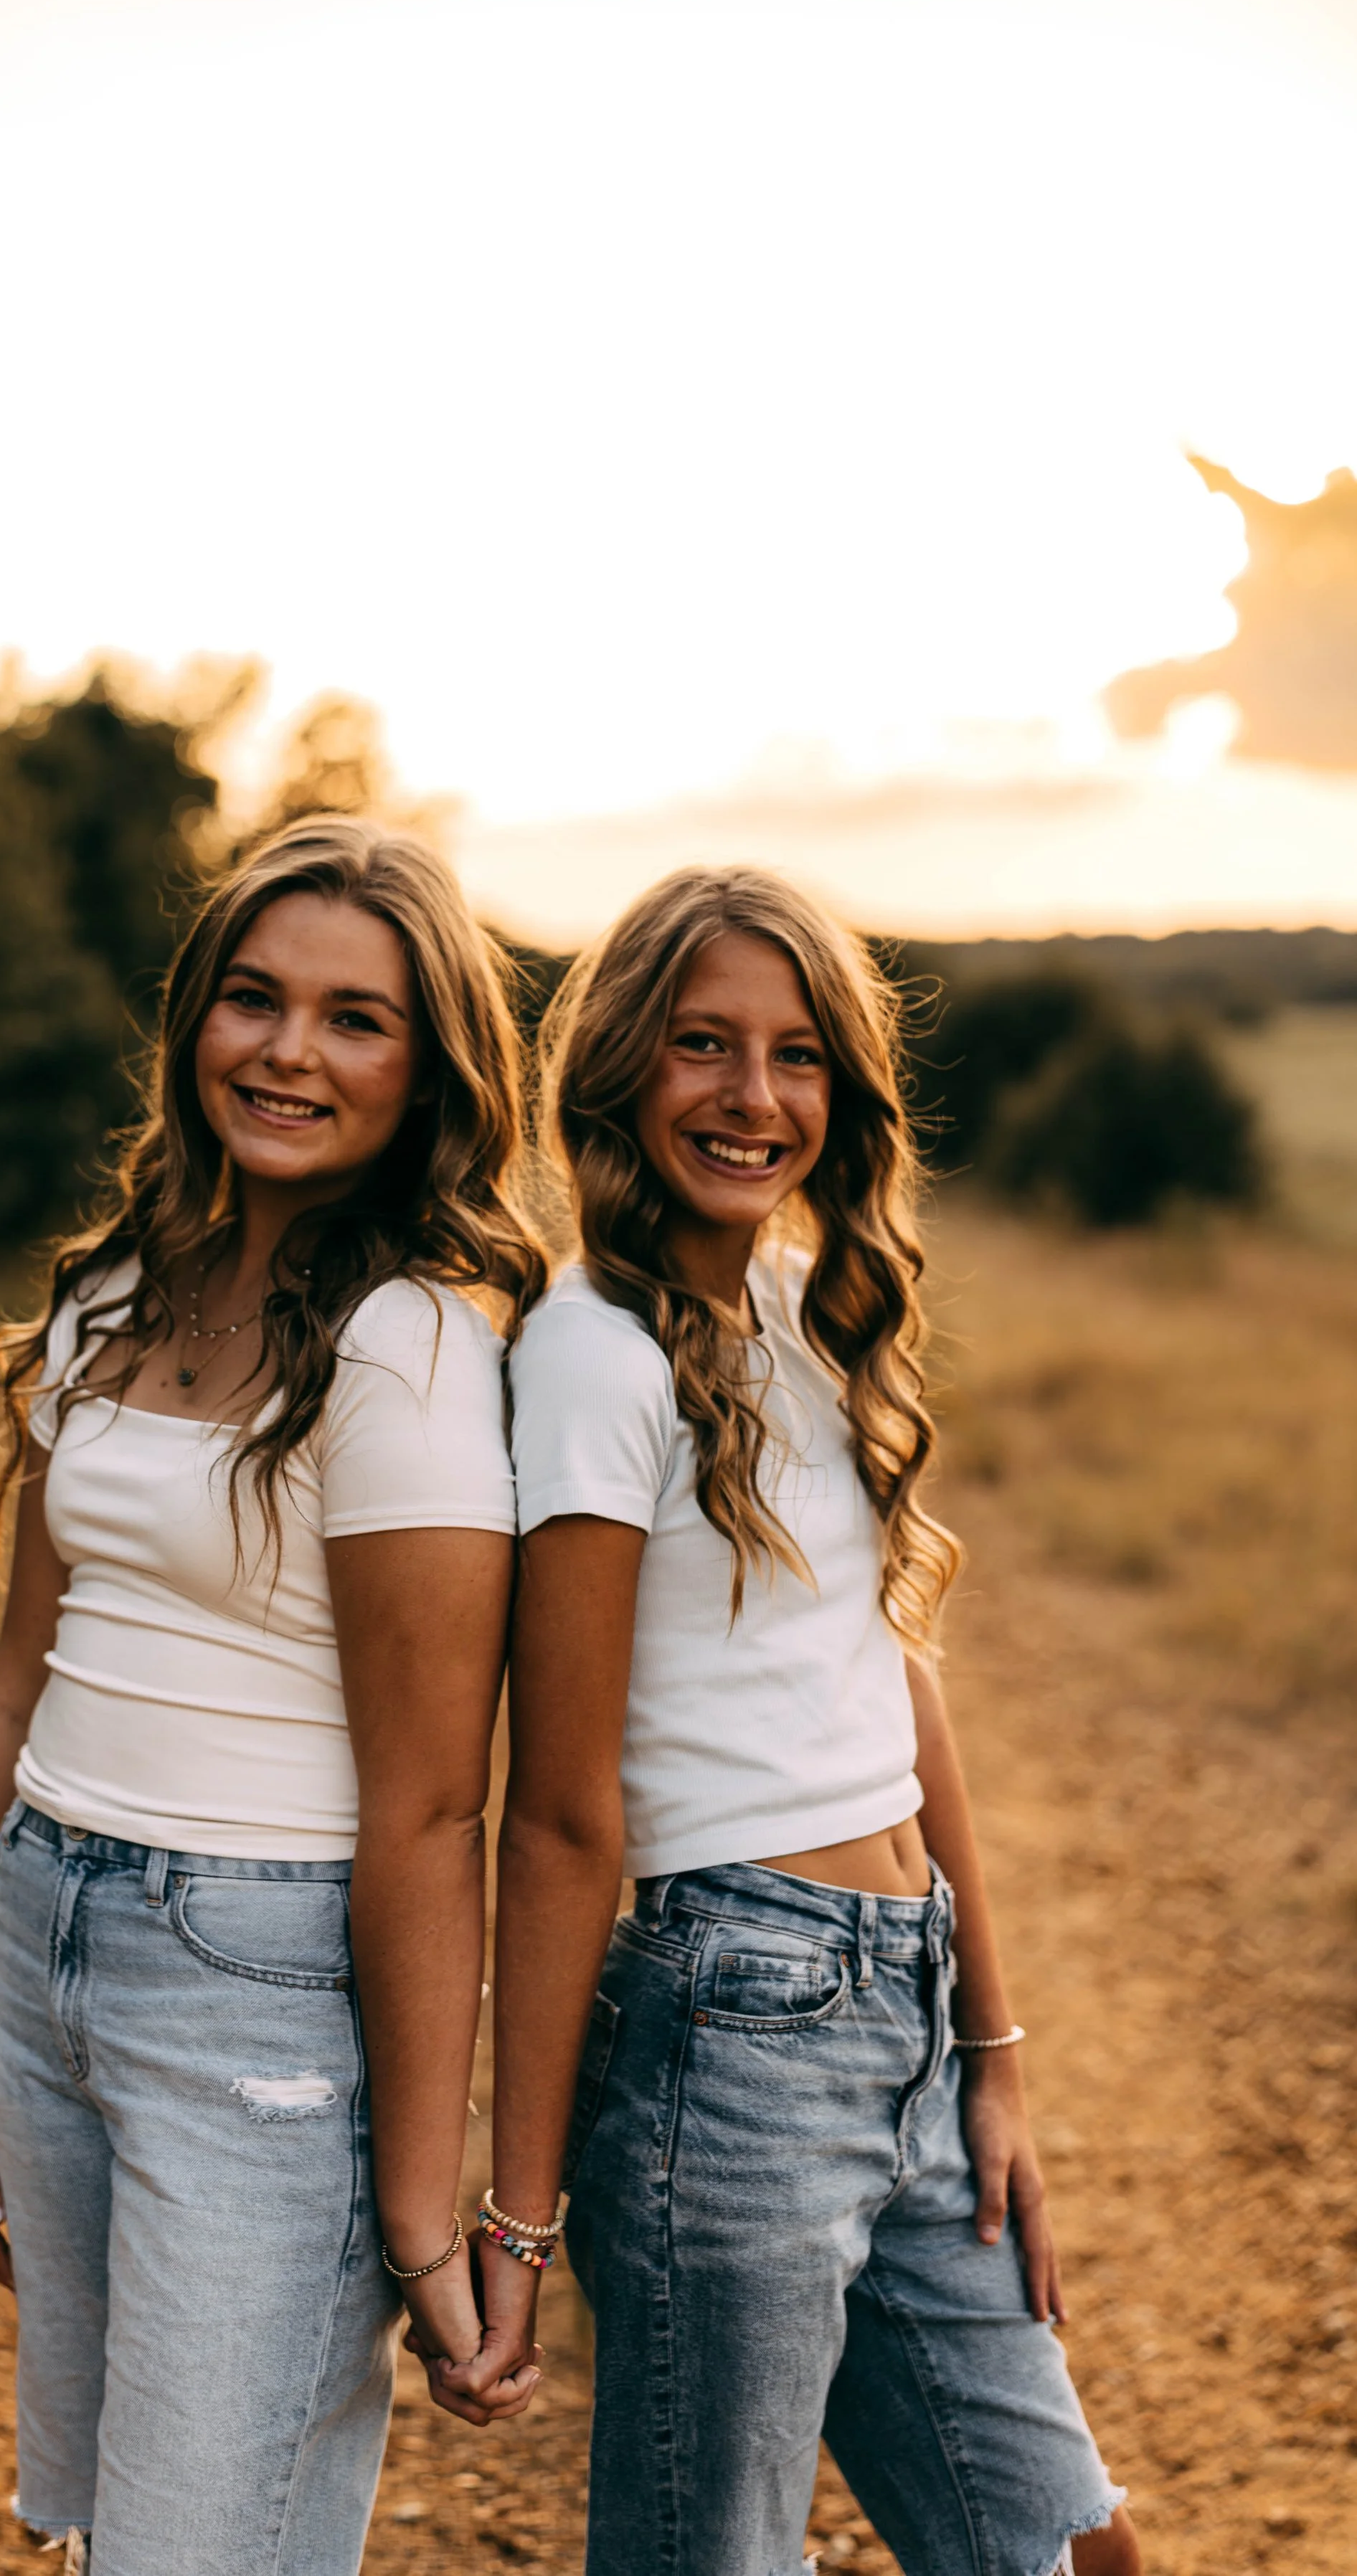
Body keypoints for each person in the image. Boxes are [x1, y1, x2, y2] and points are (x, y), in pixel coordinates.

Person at [462, 866, 1139, 2576]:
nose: (751, 1095)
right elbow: (557, 1814)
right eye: (701, 1044)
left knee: (1068, 2549)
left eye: (795, 1054)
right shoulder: (592, 1356)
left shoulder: (802, 1305)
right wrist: (519, 2217)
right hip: (731, 2033)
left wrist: (987, 2055)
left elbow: (895, 1684)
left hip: (900, 2006)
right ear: (620, 1065)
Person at [0, 818, 545, 2576]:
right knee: (118, 2525)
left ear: (427, 1075)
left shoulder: (407, 1347)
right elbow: (17, 1678)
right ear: (194, 1020)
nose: (286, 1052)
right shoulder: (115, 1290)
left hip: (253, 1985)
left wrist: (421, 2213)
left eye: (355, 1020)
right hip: (47, 1934)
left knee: (207, 2543)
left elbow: (431, 1805)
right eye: (253, 1000)